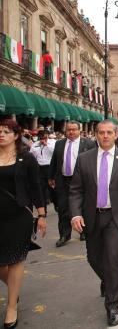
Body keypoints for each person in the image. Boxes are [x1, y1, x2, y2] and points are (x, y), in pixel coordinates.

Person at [68, 120, 118, 327]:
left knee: (113, 258)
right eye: (101, 132)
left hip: (115, 216)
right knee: (93, 258)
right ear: (95, 135)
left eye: (109, 132)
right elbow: (76, 190)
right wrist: (75, 214)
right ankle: (108, 280)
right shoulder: (84, 159)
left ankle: (112, 304)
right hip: (92, 216)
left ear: (116, 134)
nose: (105, 136)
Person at [0, 119, 47, 329]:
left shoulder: (25, 159)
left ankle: (11, 306)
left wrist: (42, 214)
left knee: (16, 259)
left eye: (6, 131)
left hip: (19, 215)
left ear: (16, 135)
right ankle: (14, 289)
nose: (1, 135)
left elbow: (36, 187)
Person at [49, 120, 96, 246]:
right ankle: (64, 235)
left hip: (82, 181)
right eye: (69, 129)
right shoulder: (59, 144)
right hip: (63, 180)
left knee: (83, 207)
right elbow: (54, 161)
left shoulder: (89, 144)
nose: (71, 132)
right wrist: (51, 176)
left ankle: (83, 232)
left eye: (74, 129)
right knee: (63, 208)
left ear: (79, 130)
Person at [30, 130, 56, 213]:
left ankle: (56, 203)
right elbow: (31, 155)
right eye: (41, 138)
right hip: (40, 168)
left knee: (52, 189)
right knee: (41, 190)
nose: (43, 139)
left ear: (47, 136)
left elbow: (55, 153)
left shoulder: (53, 143)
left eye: (44, 137)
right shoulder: (35, 144)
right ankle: (44, 209)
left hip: (50, 167)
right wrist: (36, 147)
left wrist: (46, 145)